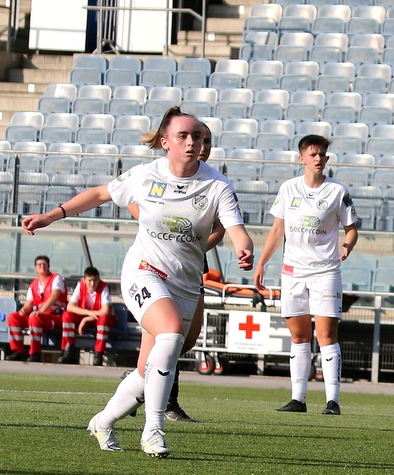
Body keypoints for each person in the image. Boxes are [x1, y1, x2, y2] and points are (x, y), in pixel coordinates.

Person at [22, 107, 254, 457]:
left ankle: (103, 421)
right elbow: (101, 193)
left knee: (152, 368)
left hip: (185, 283)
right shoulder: (146, 175)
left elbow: (235, 229)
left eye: (198, 137)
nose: (193, 142)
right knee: (171, 333)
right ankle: (153, 430)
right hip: (144, 270)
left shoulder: (217, 185)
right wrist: (52, 215)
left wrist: (244, 248)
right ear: (165, 142)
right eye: (184, 136)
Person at [254, 134, 358, 415]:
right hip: (292, 272)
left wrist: (347, 244)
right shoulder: (288, 189)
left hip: (325, 271)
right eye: (313, 154)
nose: (319, 158)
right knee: (299, 336)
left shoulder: (337, 191)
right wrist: (262, 262)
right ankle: (298, 399)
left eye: (323, 154)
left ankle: (332, 401)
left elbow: (351, 228)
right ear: (302, 158)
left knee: (326, 335)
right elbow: (277, 230)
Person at [125, 122, 220, 422]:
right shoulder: (159, 173)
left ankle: (138, 382)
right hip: (157, 264)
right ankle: (165, 404)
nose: (200, 145)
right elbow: (131, 200)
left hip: (192, 262)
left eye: (206, 140)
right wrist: (163, 230)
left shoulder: (214, 184)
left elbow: (221, 228)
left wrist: (195, 243)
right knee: (168, 331)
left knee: (188, 338)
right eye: (195, 138)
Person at [6, 255, 66, 362]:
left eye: (44, 264)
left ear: (49, 266)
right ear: (35, 268)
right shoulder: (33, 284)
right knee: (13, 318)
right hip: (39, 316)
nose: (42, 266)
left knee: (34, 318)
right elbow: (29, 303)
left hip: (54, 316)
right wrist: (23, 310)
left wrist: (40, 311)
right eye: (39, 264)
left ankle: (35, 353)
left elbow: (54, 295)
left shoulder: (56, 278)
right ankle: (17, 351)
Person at [59, 266, 115, 366]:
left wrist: (86, 319)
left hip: (100, 319)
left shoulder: (104, 287)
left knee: (104, 319)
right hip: (90, 315)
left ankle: (99, 354)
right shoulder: (80, 285)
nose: (93, 284)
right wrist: (88, 313)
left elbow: (105, 311)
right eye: (90, 280)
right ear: (84, 280)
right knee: (67, 315)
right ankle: (68, 350)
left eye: (95, 280)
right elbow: (70, 307)